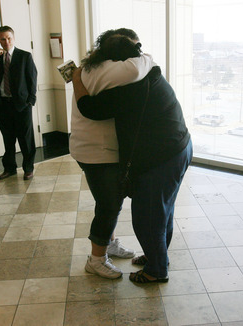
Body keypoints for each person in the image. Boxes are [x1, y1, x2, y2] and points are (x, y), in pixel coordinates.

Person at [73, 34, 192, 283]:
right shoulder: (146, 74)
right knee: (162, 211)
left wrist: (76, 79)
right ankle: (156, 257)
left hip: (164, 156)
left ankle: (156, 270)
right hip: (177, 147)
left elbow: (90, 108)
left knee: (147, 217)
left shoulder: (133, 86)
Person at [70, 28, 155, 279]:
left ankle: (110, 242)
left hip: (89, 147)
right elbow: (139, 67)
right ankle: (96, 259)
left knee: (110, 201)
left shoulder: (91, 67)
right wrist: (145, 54)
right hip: (97, 151)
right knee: (109, 205)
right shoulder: (112, 70)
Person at [0, 25, 37, 180]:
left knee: (26, 139)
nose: (6, 41)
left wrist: (30, 101)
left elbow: (32, 78)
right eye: (2, 39)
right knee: (8, 139)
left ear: (13, 38)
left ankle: (28, 168)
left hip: (22, 104)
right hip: (2, 105)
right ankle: (9, 168)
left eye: (9, 38)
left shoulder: (24, 56)